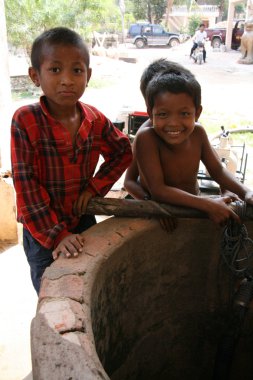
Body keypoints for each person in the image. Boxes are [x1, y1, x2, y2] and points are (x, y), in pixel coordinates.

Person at [11, 27, 132, 294]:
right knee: (53, 292)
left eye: (76, 70)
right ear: (35, 76)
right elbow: (26, 186)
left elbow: (123, 151)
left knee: (85, 287)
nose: (67, 79)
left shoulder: (95, 119)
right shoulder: (26, 120)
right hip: (42, 231)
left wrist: (93, 189)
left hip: (81, 220)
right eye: (55, 70)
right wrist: (57, 235)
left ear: (88, 76)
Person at [133, 70, 253, 225]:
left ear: (197, 113)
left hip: (193, 207)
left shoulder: (198, 133)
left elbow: (218, 171)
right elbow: (159, 190)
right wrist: (207, 204)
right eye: (163, 114)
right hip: (164, 214)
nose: (173, 123)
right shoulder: (146, 138)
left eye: (184, 113)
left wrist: (246, 191)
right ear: (150, 113)